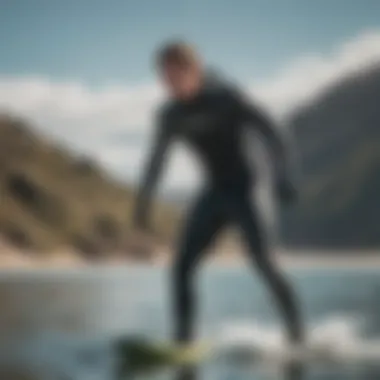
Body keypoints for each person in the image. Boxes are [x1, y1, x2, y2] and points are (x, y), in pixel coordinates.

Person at [133, 40, 303, 348]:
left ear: (194, 70)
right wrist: (143, 201)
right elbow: (156, 160)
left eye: (175, 76)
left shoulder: (226, 97)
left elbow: (273, 130)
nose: (170, 85)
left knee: (262, 261)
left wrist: (283, 175)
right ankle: (183, 343)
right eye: (165, 79)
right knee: (182, 266)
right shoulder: (170, 115)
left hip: (249, 185)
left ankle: (297, 335)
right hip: (214, 189)